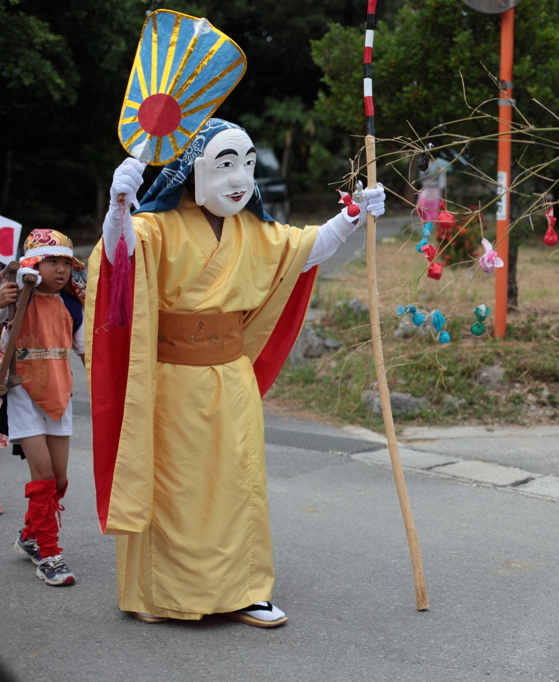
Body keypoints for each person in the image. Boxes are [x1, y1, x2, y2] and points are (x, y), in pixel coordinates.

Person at [86, 119, 386, 626]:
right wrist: (119, 208)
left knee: (238, 485)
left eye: (247, 163)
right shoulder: (156, 226)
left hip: (231, 380)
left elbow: (303, 250)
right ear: (193, 169)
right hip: (172, 386)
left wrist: (353, 217)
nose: (240, 177)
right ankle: (161, 593)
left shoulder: (254, 230)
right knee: (175, 488)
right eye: (225, 165)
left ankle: (245, 589)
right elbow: (120, 256)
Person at [4, 229, 86, 586]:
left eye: (66, 262)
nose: (61, 269)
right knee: (43, 476)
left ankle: (30, 536)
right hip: (22, 396)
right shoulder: (12, 300)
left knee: (60, 479)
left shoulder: (73, 306)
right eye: (52, 261)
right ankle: (50, 556)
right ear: (33, 265)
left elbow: (88, 354)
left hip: (60, 397)